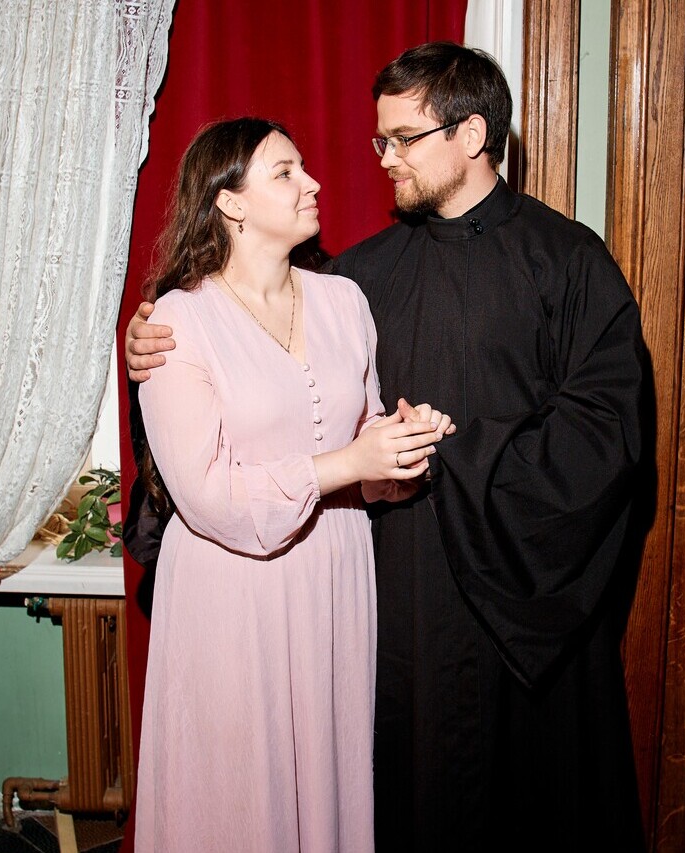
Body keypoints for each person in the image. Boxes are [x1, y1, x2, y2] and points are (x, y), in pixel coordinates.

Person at [127, 44, 646, 852]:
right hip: (396, 612)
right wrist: (147, 348)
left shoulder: (569, 262)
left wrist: (460, 454)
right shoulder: (357, 278)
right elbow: (253, 386)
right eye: (380, 140)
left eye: (403, 139)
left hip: (523, 612)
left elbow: (606, 433)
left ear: (470, 135)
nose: (383, 159)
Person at [130, 117, 454, 853]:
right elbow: (206, 497)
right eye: (284, 173)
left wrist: (399, 451)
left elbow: (363, 451)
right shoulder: (179, 320)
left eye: (303, 167)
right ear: (230, 203)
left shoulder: (343, 301)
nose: (312, 183)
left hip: (333, 572)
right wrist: (350, 462)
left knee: (326, 782)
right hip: (230, 590)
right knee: (241, 794)